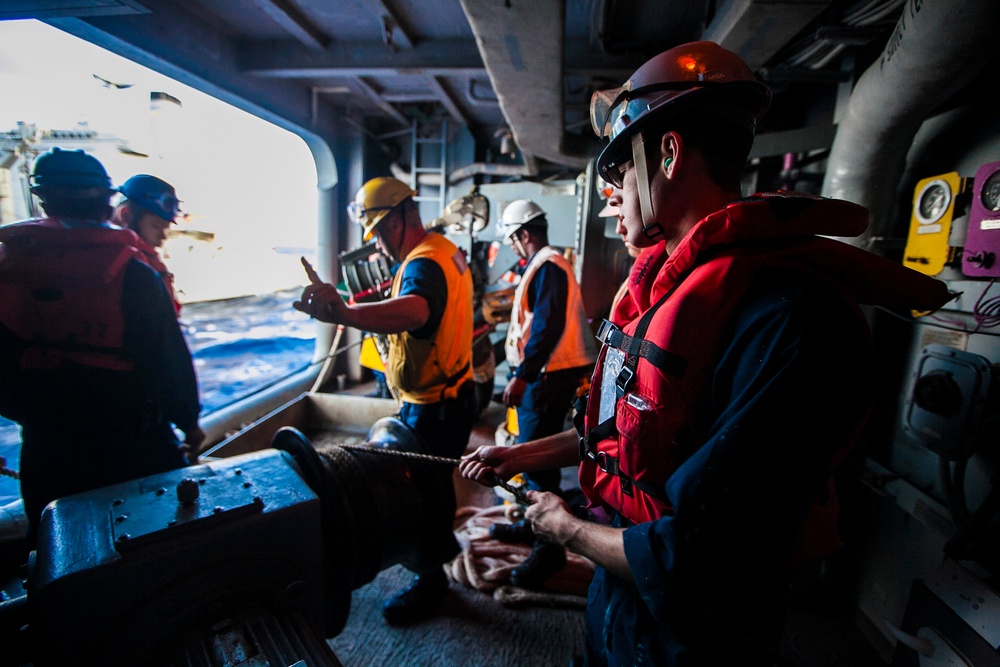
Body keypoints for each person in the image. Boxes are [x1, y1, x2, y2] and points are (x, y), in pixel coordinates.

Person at [460, 41, 953, 666]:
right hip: (619, 601)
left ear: (667, 153)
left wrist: (568, 530)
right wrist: (521, 453)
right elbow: (628, 434)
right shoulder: (663, 294)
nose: (612, 195)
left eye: (621, 173)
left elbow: (700, 554)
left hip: (695, 633)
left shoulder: (790, 318)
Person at [293, 176, 476, 626]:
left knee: (424, 495)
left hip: (435, 404)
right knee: (434, 487)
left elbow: (418, 309)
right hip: (456, 390)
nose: (375, 241)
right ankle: (436, 568)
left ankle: (432, 582)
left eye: (377, 230)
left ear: (398, 219)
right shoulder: (441, 249)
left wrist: (347, 313)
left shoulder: (421, 264)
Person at [0, 148, 204, 548]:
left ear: (42, 199)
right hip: (131, 445)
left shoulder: (11, 272)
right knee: (155, 544)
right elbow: (168, 362)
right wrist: (189, 422)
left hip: (47, 449)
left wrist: (40, 418)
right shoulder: (135, 275)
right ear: (108, 202)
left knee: (58, 552)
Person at [490, 199, 597, 588]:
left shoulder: (548, 265)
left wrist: (521, 375)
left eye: (513, 239)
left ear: (524, 234)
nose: (513, 247)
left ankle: (548, 548)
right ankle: (534, 527)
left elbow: (547, 327)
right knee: (530, 449)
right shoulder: (544, 265)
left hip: (549, 376)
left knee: (537, 459)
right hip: (546, 374)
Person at [113, 174, 183, 314]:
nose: (163, 236)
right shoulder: (123, 264)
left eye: (166, 228)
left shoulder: (147, 259)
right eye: (156, 226)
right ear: (125, 216)